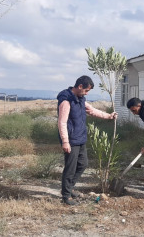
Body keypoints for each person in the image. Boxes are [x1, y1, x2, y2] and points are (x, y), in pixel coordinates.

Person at [57, 75, 117, 205]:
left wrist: (109, 116)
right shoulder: (66, 101)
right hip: (71, 140)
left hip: (80, 138)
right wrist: (65, 141)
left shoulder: (80, 99)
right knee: (70, 168)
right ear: (80, 87)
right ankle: (66, 197)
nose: (87, 93)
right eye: (86, 90)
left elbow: (93, 111)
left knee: (83, 164)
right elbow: (62, 122)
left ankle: (69, 188)